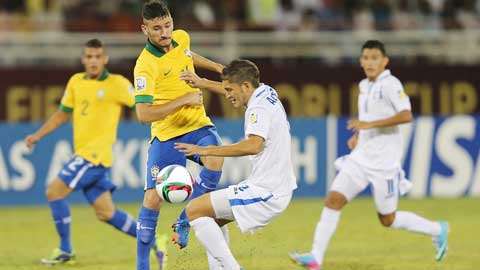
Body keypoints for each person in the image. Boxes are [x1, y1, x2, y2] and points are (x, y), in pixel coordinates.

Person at [290, 40, 449, 270]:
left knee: (388, 219)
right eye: (366, 57)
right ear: (361, 61)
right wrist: (360, 136)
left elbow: (406, 115)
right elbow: (368, 118)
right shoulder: (365, 85)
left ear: (385, 61)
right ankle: (316, 257)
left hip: (384, 163)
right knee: (333, 200)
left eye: (375, 57)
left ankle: (437, 229)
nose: (369, 62)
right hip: (361, 158)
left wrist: (369, 124)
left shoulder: (391, 84)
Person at [23, 39, 166, 267]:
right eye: (89, 56)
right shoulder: (75, 82)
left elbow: (142, 108)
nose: (93, 61)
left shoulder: (118, 84)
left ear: (105, 59)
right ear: (83, 59)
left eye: (97, 56)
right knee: (106, 212)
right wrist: (37, 136)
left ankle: (66, 250)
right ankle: (154, 239)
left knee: (54, 191)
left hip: (94, 156)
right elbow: (62, 114)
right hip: (87, 156)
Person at [175, 59, 297, 270]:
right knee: (210, 219)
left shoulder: (257, 109)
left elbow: (253, 146)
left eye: (230, 89)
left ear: (246, 86)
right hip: (275, 187)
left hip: (267, 191)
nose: (227, 94)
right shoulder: (265, 91)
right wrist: (203, 82)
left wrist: (206, 150)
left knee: (194, 209)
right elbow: (235, 78)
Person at [133, 1, 227, 269]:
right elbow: (143, 114)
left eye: (167, 25)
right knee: (152, 199)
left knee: (216, 158)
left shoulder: (181, 36)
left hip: (197, 126)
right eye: (156, 29)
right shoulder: (145, 66)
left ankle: (185, 219)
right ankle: (142, 266)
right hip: (167, 135)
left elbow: (187, 53)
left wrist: (217, 67)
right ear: (144, 29)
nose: (164, 33)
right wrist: (184, 99)